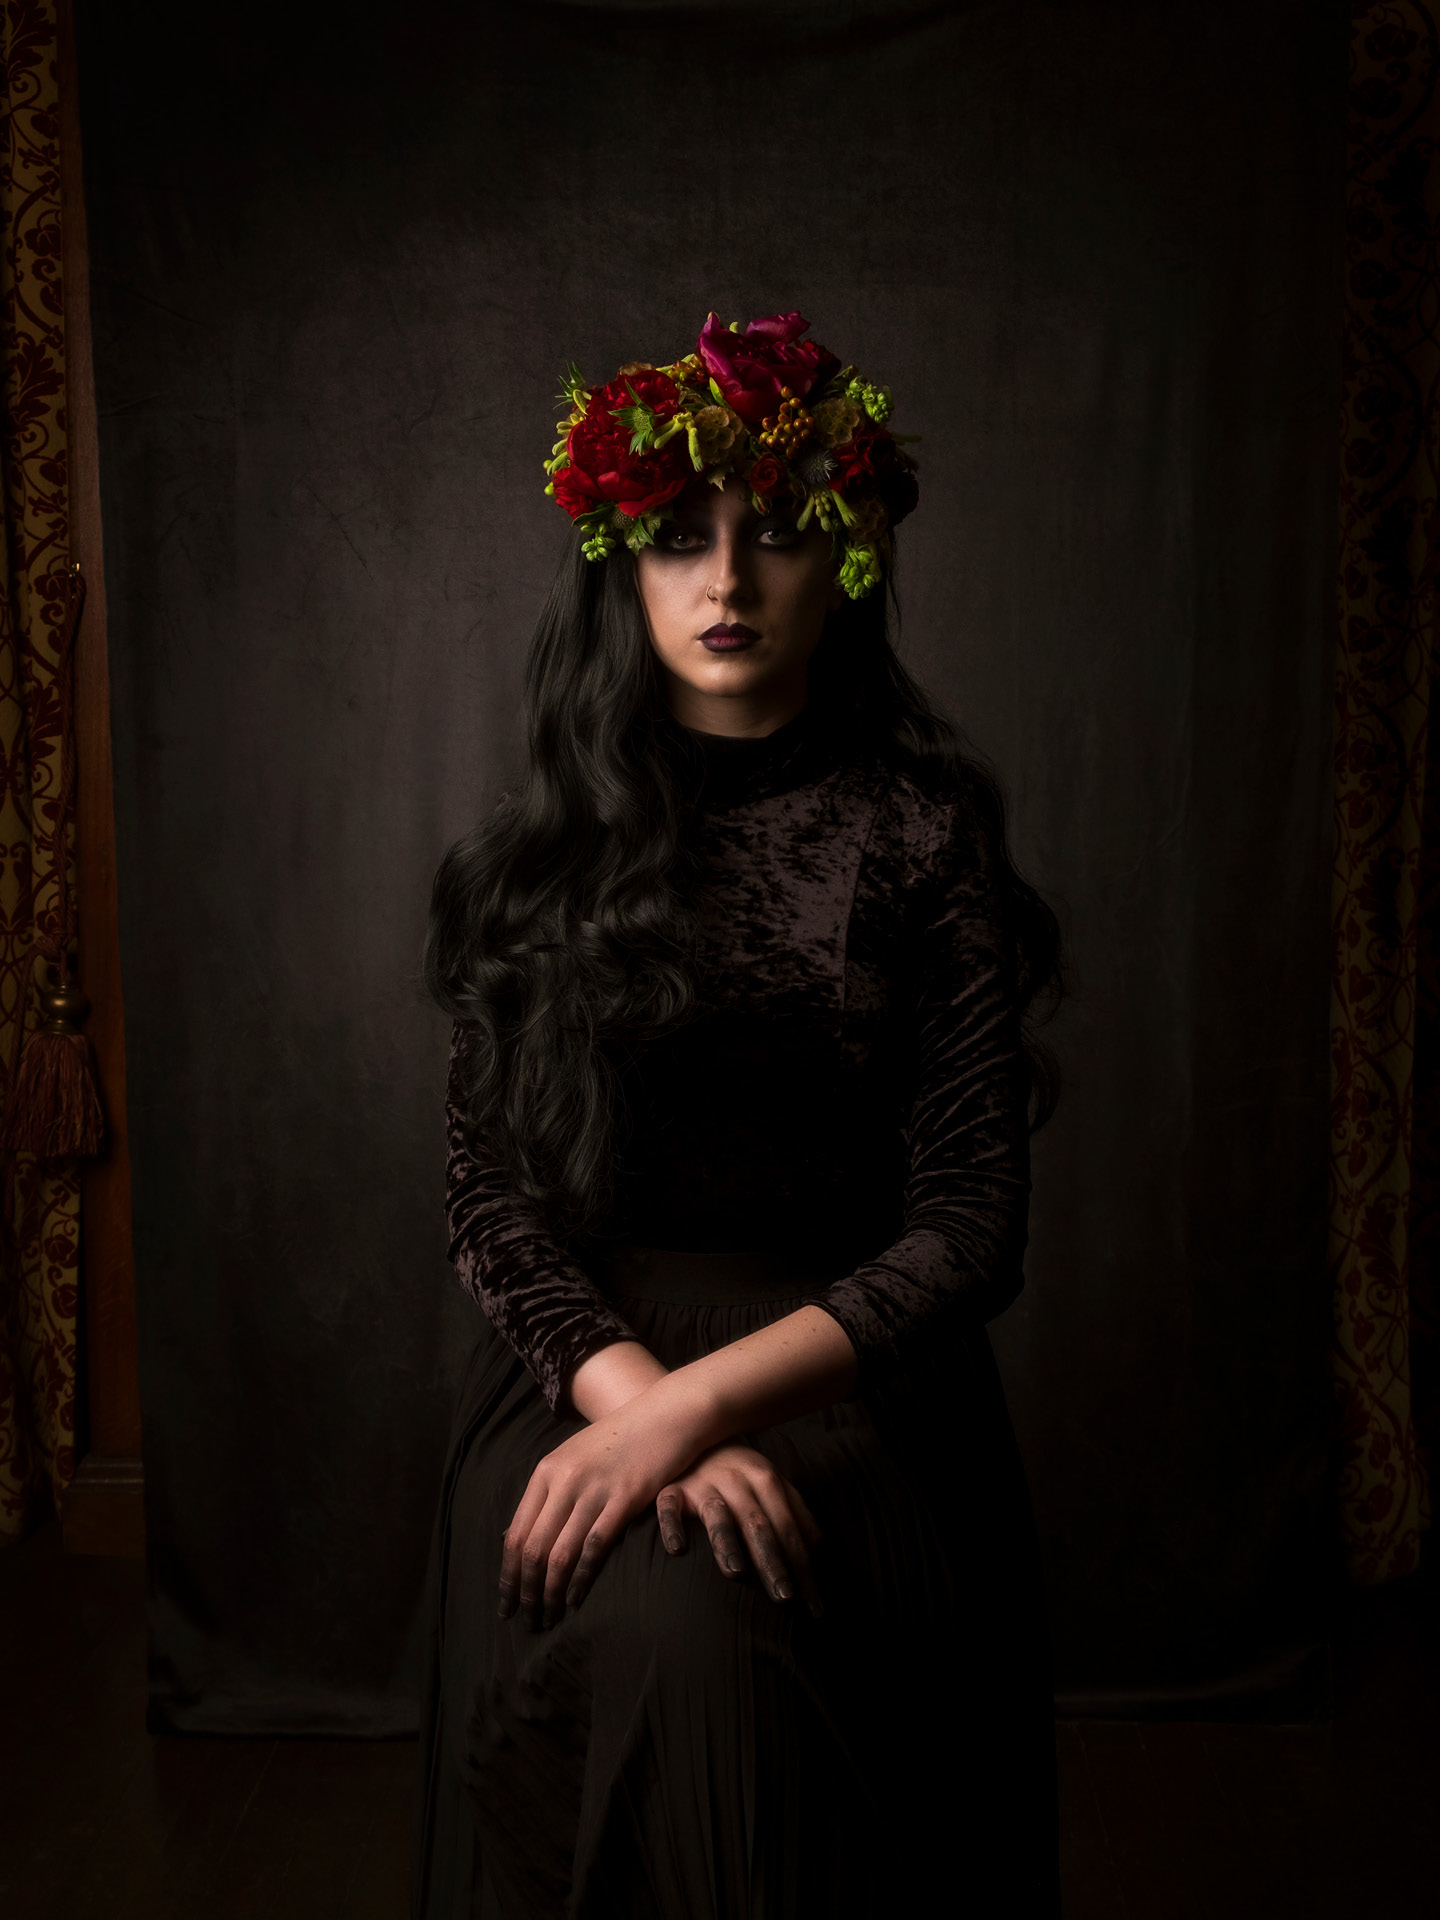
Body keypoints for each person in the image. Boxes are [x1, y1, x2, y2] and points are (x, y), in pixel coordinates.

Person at [415, 311, 1063, 1919]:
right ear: (618, 575)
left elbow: (973, 1226)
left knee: (723, 1631)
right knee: (665, 1617)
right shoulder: (533, 858)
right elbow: (491, 1205)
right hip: (591, 1354)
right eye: (680, 541)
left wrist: (707, 1412)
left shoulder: (921, 840)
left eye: (774, 535)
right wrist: (641, 1410)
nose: (727, 581)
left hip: (850, 1366)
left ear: (838, 563)